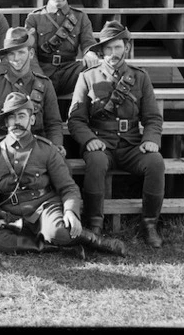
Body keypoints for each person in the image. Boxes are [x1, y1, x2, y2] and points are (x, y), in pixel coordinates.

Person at [0, 92, 126, 258]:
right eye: (12, 117)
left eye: (22, 116)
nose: (17, 122)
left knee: (59, 232)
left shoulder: (46, 149)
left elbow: (68, 187)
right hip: (11, 213)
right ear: (6, 122)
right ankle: (56, 249)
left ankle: (98, 242)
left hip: (44, 208)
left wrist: (70, 211)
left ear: (32, 120)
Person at [67, 21, 165, 248]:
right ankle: (94, 225)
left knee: (156, 162)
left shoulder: (140, 77)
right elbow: (76, 119)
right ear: (101, 51)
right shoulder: (88, 77)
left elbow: (152, 118)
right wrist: (89, 140)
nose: (113, 54)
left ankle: (149, 224)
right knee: (96, 161)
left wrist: (151, 140)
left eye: (118, 48)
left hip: (132, 145)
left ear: (126, 48)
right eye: (108, 49)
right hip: (101, 143)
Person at [0, 26, 64, 249]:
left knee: (59, 164)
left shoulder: (44, 84)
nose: (16, 58)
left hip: (34, 146)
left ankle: (60, 221)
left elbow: (53, 123)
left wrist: (57, 145)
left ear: (30, 53)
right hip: (1, 147)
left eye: (21, 52)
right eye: (11, 53)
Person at [25, 0, 100, 99]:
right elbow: (30, 52)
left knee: (96, 70)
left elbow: (88, 42)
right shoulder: (34, 18)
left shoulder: (80, 17)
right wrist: (38, 75)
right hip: (44, 70)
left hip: (70, 71)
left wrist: (90, 52)